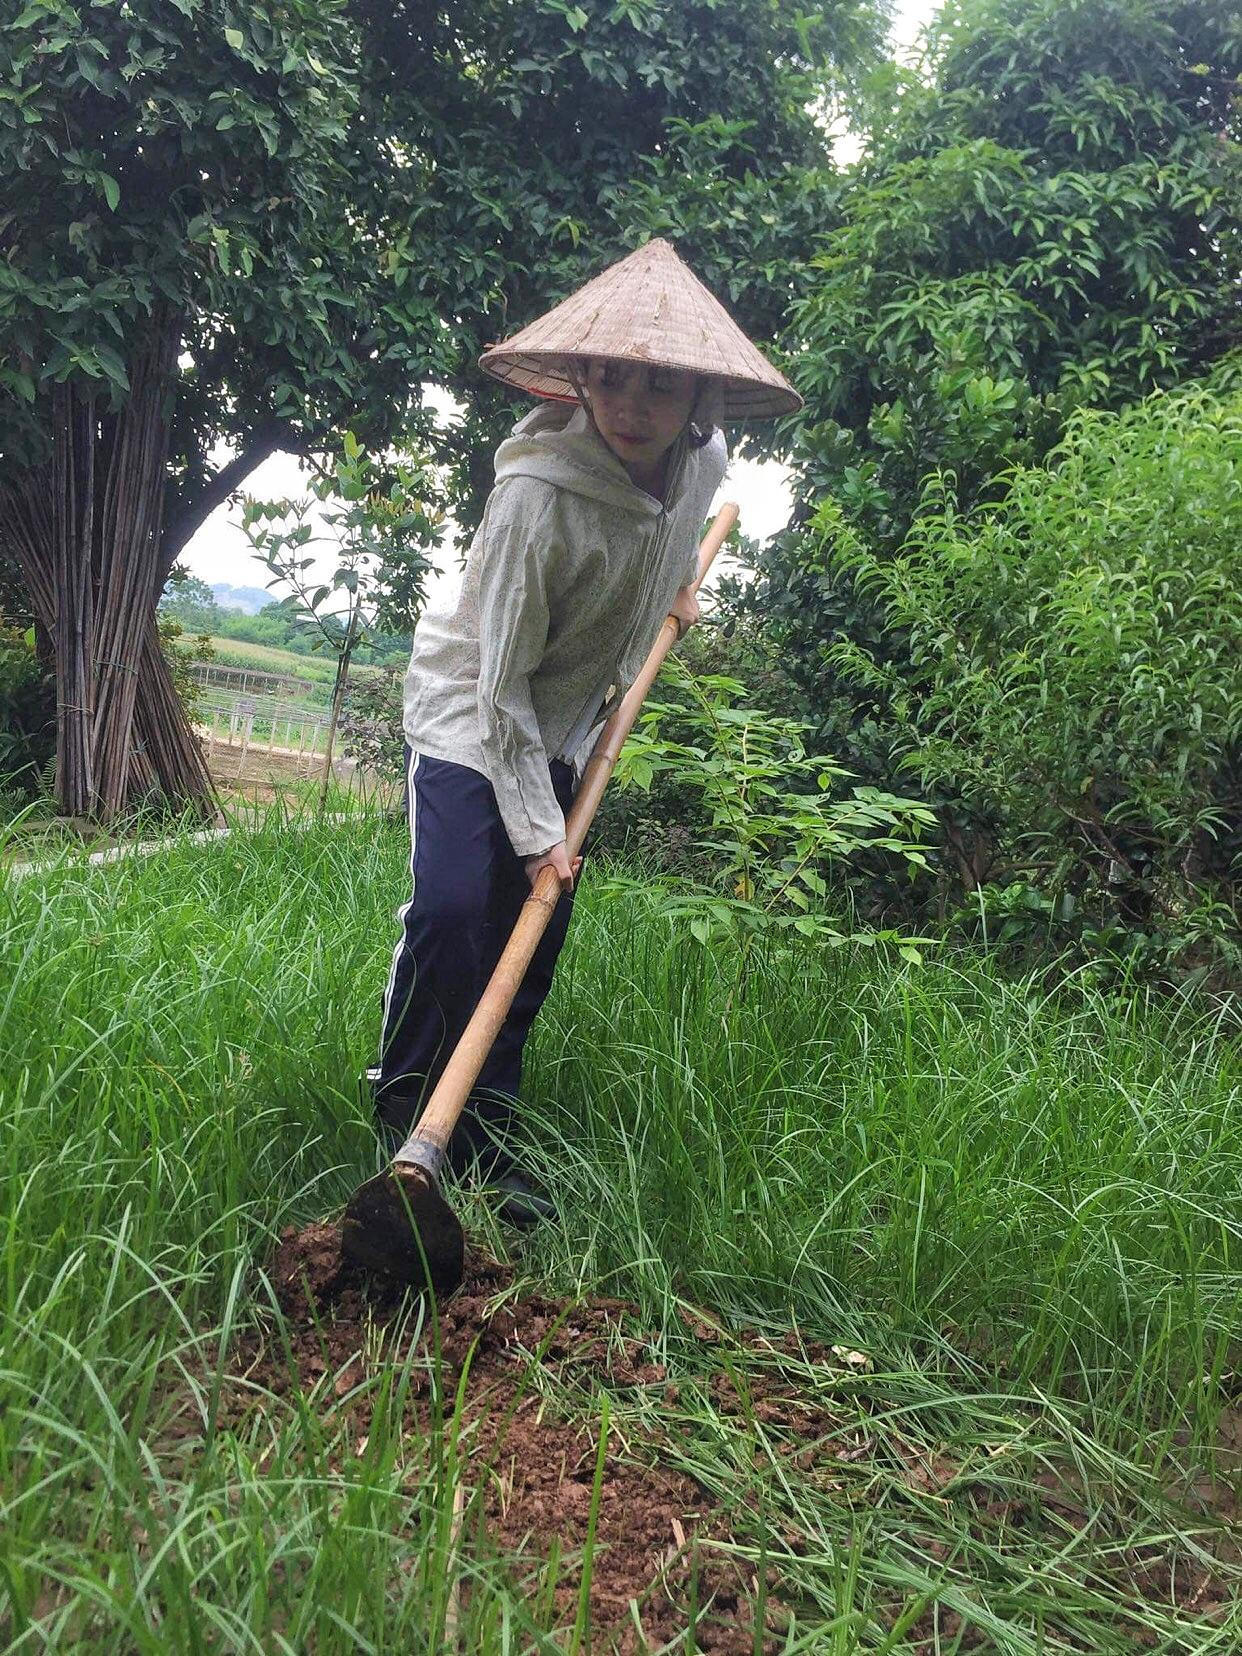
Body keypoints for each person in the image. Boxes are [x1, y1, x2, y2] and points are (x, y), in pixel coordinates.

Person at [370, 238, 800, 1226]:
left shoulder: (704, 462)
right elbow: (500, 681)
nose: (633, 402)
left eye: (659, 383)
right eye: (613, 377)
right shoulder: (535, 502)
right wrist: (539, 833)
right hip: (473, 712)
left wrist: (679, 590)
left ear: (698, 396)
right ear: (583, 377)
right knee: (450, 911)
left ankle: (482, 1135)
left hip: (565, 725)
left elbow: (664, 544)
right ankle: (404, 1107)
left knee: (535, 935)